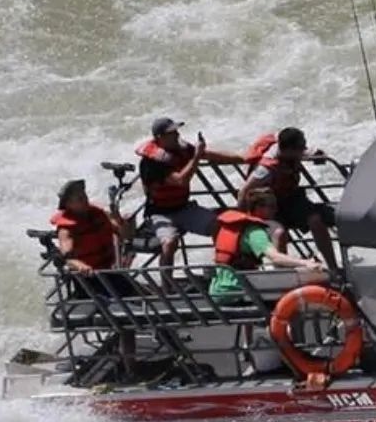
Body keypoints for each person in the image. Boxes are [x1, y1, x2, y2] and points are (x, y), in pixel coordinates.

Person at [136, 116, 244, 267]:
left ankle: (223, 267)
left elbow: (209, 155)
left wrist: (242, 158)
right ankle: (168, 285)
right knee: (170, 243)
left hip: (184, 208)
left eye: (177, 131)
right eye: (172, 133)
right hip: (160, 213)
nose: (177, 135)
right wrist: (197, 157)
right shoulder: (151, 164)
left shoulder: (182, 149)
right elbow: (181, 180)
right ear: (160, 137)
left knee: (219, 227)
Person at [209, 185, 327, 304]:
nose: (275, 210)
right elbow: (275, 257)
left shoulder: (234, 226)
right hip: (238, 292)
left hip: (218, 289)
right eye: (271, 206)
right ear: (257, 207)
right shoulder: (254, 232)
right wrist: (306, 263)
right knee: (312, 281)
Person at [244, 126, 339, 271]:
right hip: (270, 206)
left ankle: (334, 268)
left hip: (291, 200)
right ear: (288, 150)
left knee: (316, 220)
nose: (303, 150)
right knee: (279, 233)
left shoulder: (291, 152)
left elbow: (305, 152)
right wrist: (242, 218)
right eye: (300, 148)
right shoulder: (265, 169)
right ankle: (283, 276)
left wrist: (315, 154)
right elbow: (244, 191)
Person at [51, 179, 130, 295]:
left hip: (108, 271)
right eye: (79, 198)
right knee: (126, 293)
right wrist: (80, 266)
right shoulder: (66, 229)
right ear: (68, 204)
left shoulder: (98, 213)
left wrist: (118, 218)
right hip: (88, 280)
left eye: (84, 195)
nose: (85, 200)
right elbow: (68, 257)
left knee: (139, 291)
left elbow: (123, 233)